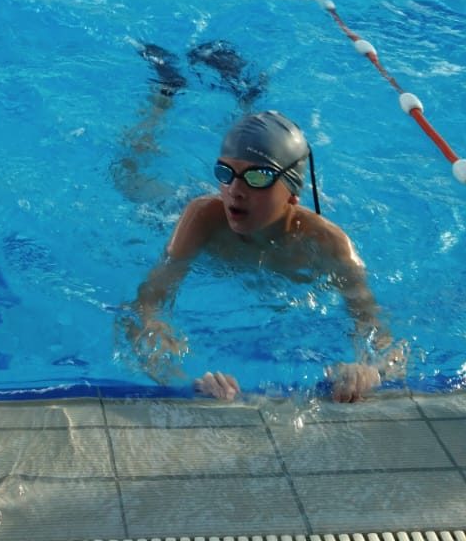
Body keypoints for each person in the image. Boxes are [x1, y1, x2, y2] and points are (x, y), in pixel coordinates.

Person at [123, 107, 401, 404]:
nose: (234, 190)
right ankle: (161, 101)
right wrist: (178, 373)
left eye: (257, 177)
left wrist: (370, 372)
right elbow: (145, 304)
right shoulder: (202, 218)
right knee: (129, 179)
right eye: (225, 173)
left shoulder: (328, 244)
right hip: (165, 209)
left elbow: (378, 331)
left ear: (292, 191)